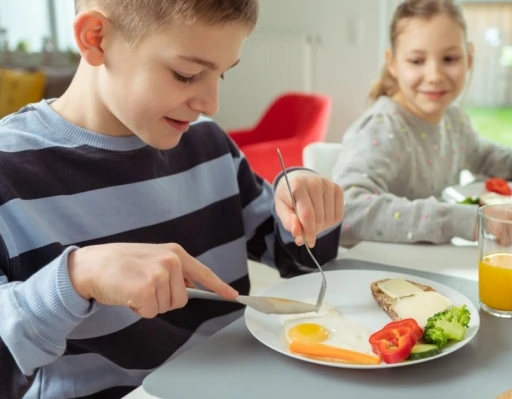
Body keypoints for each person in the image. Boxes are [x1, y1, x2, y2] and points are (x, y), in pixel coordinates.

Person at [0, 1, 343, 398]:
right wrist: (76, 279)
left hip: (246, 382)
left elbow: (295, 258)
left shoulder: (209, 144)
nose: (210, 104)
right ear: (96, 38)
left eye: (221, 75)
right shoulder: (10, 171)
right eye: (187, 75)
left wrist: (306, 202)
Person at [331, 0, 512, 248]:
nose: (434, 76)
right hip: (382, 274)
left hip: (433, 267)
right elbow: (349, 209)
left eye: (449, 58)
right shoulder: (383, 127)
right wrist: (465, 221)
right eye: (416, 60)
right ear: (393, 64)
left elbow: (484, 156)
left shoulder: (453, 119)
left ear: (469, 58)